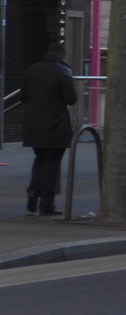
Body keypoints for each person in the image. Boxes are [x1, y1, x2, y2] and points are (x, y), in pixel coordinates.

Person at [19, 41, 78, 215]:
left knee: (39, 159)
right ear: (62, 54)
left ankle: (33, 190)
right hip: (55, 124)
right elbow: (71, 99)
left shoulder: (32, 69)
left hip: (34, 123)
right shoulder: (63, 72)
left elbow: (23, 96)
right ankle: (47, 203)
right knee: (52, 163)